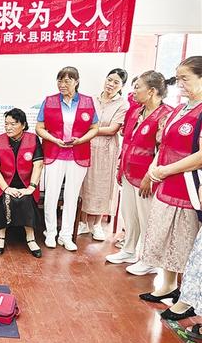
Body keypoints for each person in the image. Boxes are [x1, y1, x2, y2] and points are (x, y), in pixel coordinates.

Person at [138, 56, 202, 312]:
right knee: (165, 236)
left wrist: (164, 171)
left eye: (186, 78)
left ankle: (188, 297)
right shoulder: (180, 109)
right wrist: (155, 170)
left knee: (184, 239)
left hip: (188, 186)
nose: (180, 84)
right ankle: (167, 285)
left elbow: (200, 156)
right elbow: (163, 145)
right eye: (178, 79)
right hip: (167, 183)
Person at [105, 71, 173, 275]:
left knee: (147, 219)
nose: (133, 91)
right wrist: (120, 168)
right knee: (129, 214)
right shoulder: (135, 111)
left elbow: (162, 151)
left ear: (151, 91)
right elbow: (127, 141)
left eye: (137, 87)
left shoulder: (165, 115)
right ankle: (128, 250)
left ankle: (149, 260)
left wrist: (150, 177)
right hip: (128, 172)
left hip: (147, 177)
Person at [35, 66, 99, 251]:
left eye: (67, 81)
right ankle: (50, 233)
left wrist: (81, 140)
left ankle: (66, 235)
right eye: (60, 80)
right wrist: (54, 139)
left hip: (78, 154)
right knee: (51, 195)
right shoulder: (49, 101)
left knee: (71, 196)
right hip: (54, 153)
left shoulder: (87, 101)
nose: (62, 84)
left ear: (76, 82)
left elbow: (94, 128)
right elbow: (39, 128)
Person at [78, 69, 130, 241]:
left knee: (102, 185)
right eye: (109, 80)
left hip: (106, 149)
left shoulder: (122, 104)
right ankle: (83, 222)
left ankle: (97, 224)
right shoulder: (91, 99)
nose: (111, 84)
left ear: (122, 86)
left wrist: (90, 130)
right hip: (86, 145)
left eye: (116, 82)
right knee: (85, 183)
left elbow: (112, 129)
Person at [0, 108, 43, 258]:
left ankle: (30, 237)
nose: (8, 127)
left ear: (23, 125)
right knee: (8, 197)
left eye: (13, 124)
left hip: (26, 183)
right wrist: (6, 188)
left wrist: (31, 187)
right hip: (4, 183)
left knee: (25, 197)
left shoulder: (33, 139)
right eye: (6, 124)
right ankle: (0, 234)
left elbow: (38, 165)